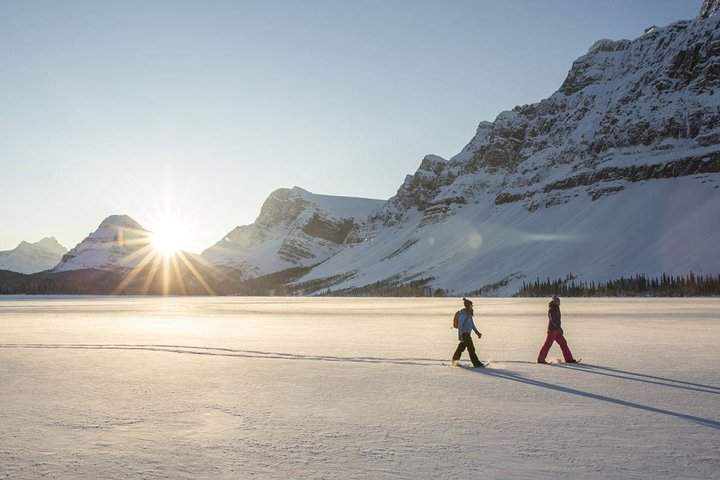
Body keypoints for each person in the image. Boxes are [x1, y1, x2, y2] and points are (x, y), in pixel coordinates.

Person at [537, 295, 578, 364]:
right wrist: (558, 328)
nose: (559, 302)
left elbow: (557, 320)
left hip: (557, 330)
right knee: (548, 344)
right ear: (554, 301)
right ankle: (540, 359)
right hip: (552, 330)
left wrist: (559, 328)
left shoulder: (556, 308)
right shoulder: (552, 309)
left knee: (563, 343)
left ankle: (569, 359)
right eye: (558, 301)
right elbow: (553, 320)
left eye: (559, 301)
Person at [451, 297, 484, 368]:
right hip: (464, 335)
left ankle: (454, 360)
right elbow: (460, 325)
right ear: (468, 306)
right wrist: (460, 336)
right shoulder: (464, 314)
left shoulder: (469, 314)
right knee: (471, 349)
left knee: (461, 348)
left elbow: (472, 325)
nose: (472, 307)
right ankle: (476, 363)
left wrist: (477, 333)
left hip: (467, 334)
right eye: (471, 305)